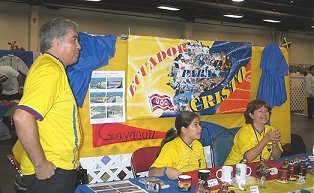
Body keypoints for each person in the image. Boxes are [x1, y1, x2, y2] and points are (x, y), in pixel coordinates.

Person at [13, 18, 82, 193]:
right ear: (56, 42)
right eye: (74, 40)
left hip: (55, 168)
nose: (79, 46)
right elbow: (22, 117)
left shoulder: (49, 67)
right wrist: (41, 164)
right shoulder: (49, 70)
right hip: (51, 171)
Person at [149, 111, 206, 180]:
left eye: (199, 124)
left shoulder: (198, 145)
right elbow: (152, 173)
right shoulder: (171, 147)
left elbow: (202, 169)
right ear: (184, 130)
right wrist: (165, 171)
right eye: (195, 125)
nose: (200, 128)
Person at [224, 99, 282, 165]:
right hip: (235, 168)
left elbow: (277, 157)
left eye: (266, 111)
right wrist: (266, 139)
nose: (264, 114)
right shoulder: (244, 132)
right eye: (260, 111)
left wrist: (275, 144)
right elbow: (249, 158)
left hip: (259, 167)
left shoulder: (271, 130)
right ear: (251, 115)